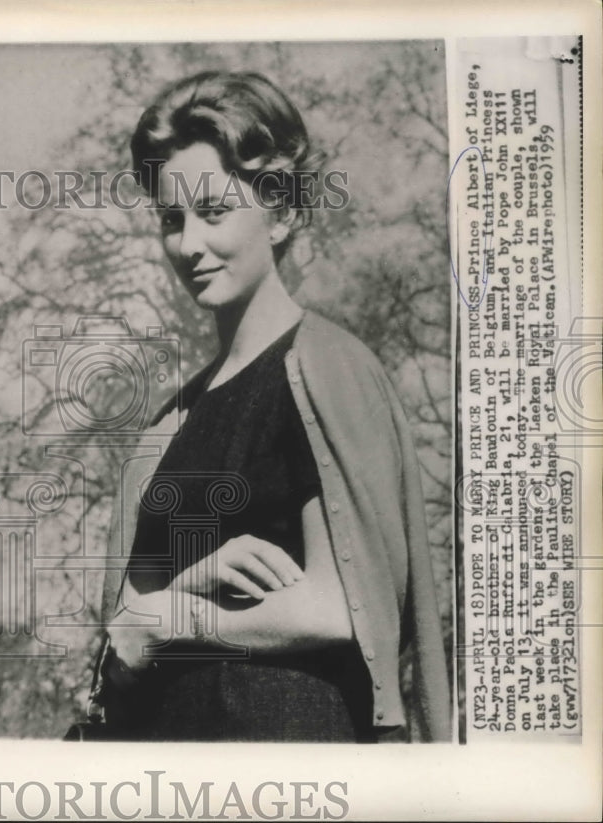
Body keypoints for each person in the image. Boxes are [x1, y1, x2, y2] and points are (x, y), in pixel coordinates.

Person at [99, 72, 451, 742]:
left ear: (282, 212)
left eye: (213, 211)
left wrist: (181, 616)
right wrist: (194, 581)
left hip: (289, 747)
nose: (188, 245)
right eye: (171, 220)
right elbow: (125, 631)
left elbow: (341, 605)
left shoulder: (323, 365)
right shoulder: (172, 420)